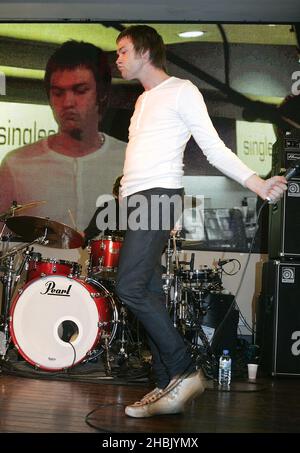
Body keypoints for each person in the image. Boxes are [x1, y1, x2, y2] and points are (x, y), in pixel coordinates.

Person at [114, 25, 287, 418]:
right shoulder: (144, 101)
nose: (118, 59)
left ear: (144, 51)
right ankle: (165, 384)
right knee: (150, 292)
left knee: (129, 287)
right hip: (138, 201)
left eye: (123, 51)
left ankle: (184, 370)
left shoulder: (182, 90)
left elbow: (213, 148)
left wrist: (257, 183)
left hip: (158, 196)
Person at [0, 41, 126, 232]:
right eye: (58, 93)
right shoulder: (16, 164)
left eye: (80, 90)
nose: (68, 102)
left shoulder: (129, 159)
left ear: (101, 94)